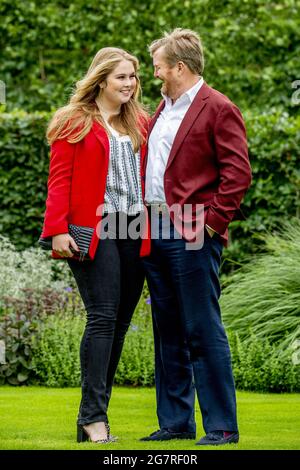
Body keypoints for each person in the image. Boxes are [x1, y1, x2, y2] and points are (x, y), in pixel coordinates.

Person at [141, 29, 252, 446]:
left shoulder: (219, 107)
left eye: (158, 67)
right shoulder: (162, 109)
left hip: (192, 231)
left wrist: (209, 224)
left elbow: (237, 174)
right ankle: (175, 423)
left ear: (179, 67)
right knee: (167, 329)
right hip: (152, 231)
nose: (155, 75)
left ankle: (221, 426)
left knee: (203, 330)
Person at [40, 47, 150, 444]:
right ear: (102, 79)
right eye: (122, 76)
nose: (130, 83)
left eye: (134, 77)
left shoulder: (140, 121)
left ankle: (94, 416)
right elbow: (59, 180)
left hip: (135, 226)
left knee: (120, 324)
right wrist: (57, 229)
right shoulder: (74, 121)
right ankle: (93, 419)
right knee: (102, 317)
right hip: (94, 227)